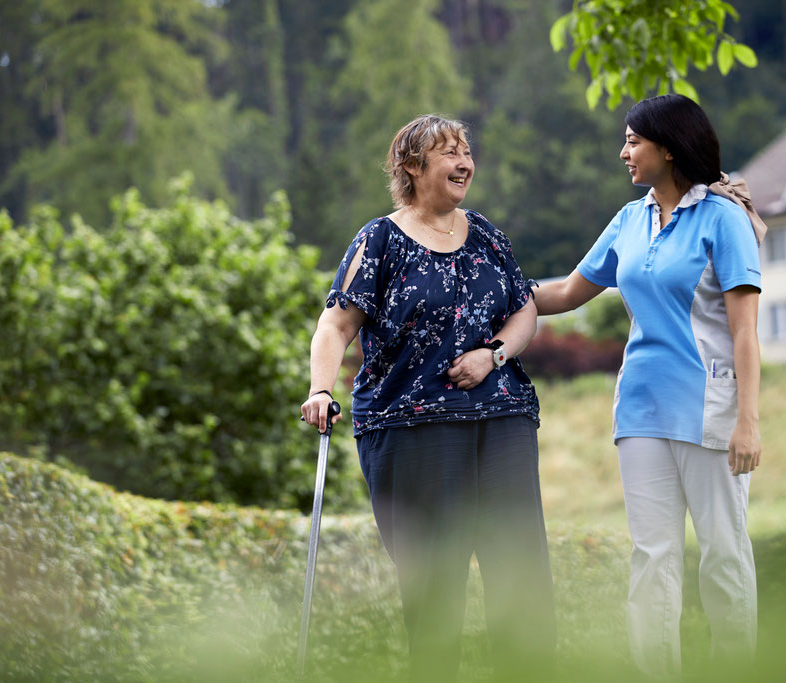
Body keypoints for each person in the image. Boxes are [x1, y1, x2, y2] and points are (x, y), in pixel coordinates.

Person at [301, 114, 555, 682]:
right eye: (449, 153)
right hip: (411, 429)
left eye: (466, 150)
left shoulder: (487, 234)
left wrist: (493, 354)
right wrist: (321, 388)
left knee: (521, 579)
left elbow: (524, 308)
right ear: (413, 168)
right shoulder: (380, 240)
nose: (465, 161)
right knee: (434, 589)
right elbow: (335, 326)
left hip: (501, 418)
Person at [533, 94, 762, 679]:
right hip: (639, 410)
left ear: (668, 145)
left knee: (723, 554)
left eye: (633, 141)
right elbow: (563, 295)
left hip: (709, 410)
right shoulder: (629, 220)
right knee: (652, 558)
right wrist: (484, 286)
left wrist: (749, 421)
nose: (624, 152)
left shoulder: (723, 219)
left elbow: (745, 336)